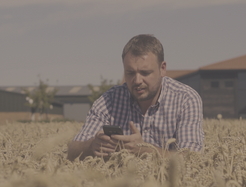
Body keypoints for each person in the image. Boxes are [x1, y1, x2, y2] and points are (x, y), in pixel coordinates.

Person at [66, 34, 204, 161]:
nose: (137, 80)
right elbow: (72, 151)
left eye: (145, 72)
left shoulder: (186, 99)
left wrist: (145, 150)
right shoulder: (109, 100)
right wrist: (91, 146)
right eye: (130, 73)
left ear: (162, 69)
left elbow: (192, 158)